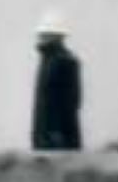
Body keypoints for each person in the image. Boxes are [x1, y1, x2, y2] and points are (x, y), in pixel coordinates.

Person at [31, 12, 82, 150]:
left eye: (45, 34)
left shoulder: (64, 61)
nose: (41, 38)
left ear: (56, 36)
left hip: (57, 141)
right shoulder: (48, 61)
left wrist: (57, 136)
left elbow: (69, 103)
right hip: (46, 139)